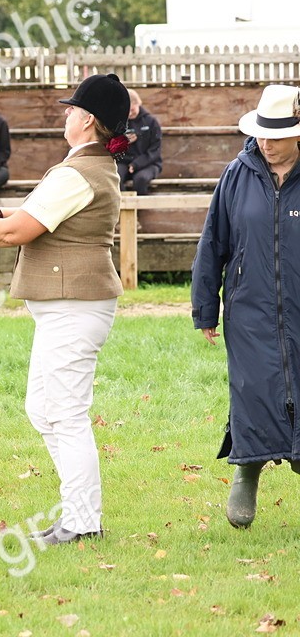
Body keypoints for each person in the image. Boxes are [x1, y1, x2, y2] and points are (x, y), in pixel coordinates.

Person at [0, 74, 131, 545]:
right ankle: (78, 513)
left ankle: (82, 522)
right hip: (66, 308)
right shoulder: (80, 168)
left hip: (74, 308)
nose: (66, 114)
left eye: (72, 109)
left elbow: (18, 232)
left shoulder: (79, 172)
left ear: (88, 120)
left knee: (67, 413)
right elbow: (22, 219)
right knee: (43, 409)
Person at [191, 83, 300, 529]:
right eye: (261, 134)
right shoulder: (236, 175)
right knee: (253, 389)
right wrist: (204, 308)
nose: (266, 143)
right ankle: (247, 469)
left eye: (276, 135)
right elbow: (212, 241)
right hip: (248, 307)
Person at [119, 90, 162, 195]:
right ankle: (124, 208)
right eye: (126, 110)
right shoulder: (119, 122)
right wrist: (124, 142)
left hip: (148, 163)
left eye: (132, 109)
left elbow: (155, 150)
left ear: (137, 104)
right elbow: (111, 145)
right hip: (124, 162)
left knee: (140, 179)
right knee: (115, 178)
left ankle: (139, 210)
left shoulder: (151, 122)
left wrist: (136, 164)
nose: (129, 113)